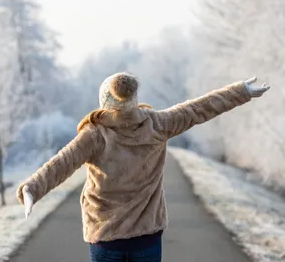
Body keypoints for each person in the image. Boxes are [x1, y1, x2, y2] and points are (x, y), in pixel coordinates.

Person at [16, 72, 270, 262]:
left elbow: (61, 163)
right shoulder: (157, 124)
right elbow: (198, 108)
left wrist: (32, 188)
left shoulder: (94, 134)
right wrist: (241, 92)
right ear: (133, 99)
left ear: (105, 100)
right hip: (147, 235)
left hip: (104, 236)